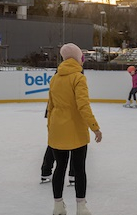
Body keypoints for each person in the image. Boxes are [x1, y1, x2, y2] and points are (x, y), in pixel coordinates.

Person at [47, 43, 102, 215]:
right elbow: (83, 106)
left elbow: (50, 106)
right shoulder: (79, 78)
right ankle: (81, 207)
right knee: (79, 169)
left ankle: (58, 207)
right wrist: (95, 127)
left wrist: (50, 128)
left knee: (59, 168)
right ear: (79, 59)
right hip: (76, 130)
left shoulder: (55, 77)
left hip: (57, 129)